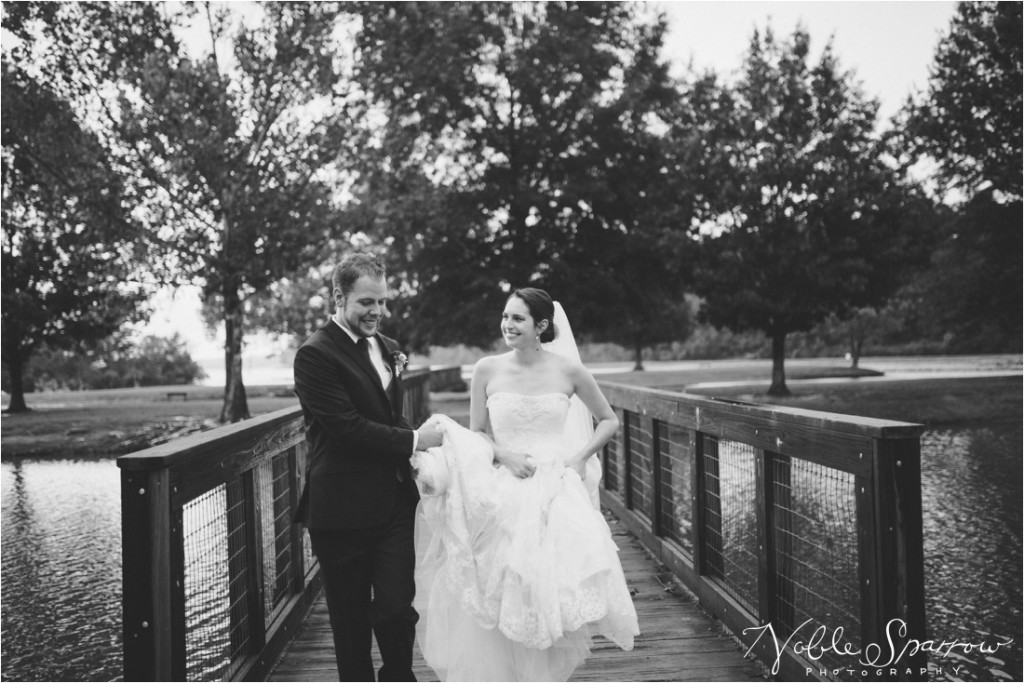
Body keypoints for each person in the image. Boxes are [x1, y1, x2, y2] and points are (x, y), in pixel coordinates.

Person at [411, 287, 640, 681]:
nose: (507, 325)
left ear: (542, 325)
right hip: (504, 485)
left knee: (546, 588)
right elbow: (478, 432)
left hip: (554, 488)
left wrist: (580, 456)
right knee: (501, 584)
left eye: (518, 318)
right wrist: (505, 455)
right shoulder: (487, 369)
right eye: (505, 316)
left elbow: (608, 419)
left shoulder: (569, 371)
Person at [293, 253, 443, 682]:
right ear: (339, 298)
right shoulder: (314, 355)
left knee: (398, 609)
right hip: (340, 510)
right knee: (350, 621)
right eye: (365, 302)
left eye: (382, 301)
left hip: (394, 502)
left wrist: (418, 455)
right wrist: (414, 440)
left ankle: (398, 676)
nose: (376, 311)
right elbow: (347, 428)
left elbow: (389, 417)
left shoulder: (389, 349)